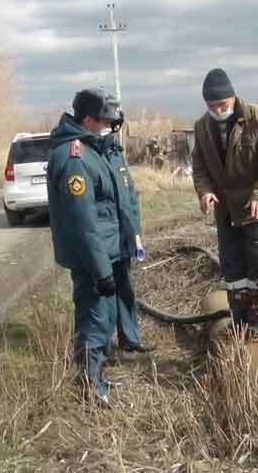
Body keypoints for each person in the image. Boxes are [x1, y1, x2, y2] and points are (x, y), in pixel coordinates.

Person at [46, 87, 139, 405]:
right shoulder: (75, 157)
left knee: (103, 316)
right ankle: (89, 387)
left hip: (108, 253)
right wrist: (101, 271)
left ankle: (99, 379)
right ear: (87, 119)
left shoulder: (95, 150)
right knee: (95, 319)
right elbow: (83, 223)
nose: (110, 128)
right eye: (105, 121)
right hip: (92, 259)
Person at [190, 68, 258, 324]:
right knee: (234, 271)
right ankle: (240, 322)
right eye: (212, 106)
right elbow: (198, 167)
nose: (218, 110)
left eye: (222, 104)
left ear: (233, 97)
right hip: (227, 212)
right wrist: (205, 191)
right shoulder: (202, 127)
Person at [101, 122, 153, 354]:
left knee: (126, 290)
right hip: (102, 241)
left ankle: (130, 339)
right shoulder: (88, 154)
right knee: (103, 297)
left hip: (122, 236)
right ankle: (103, 350)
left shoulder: (115, 153)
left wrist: (136, 234)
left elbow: (129, 198)